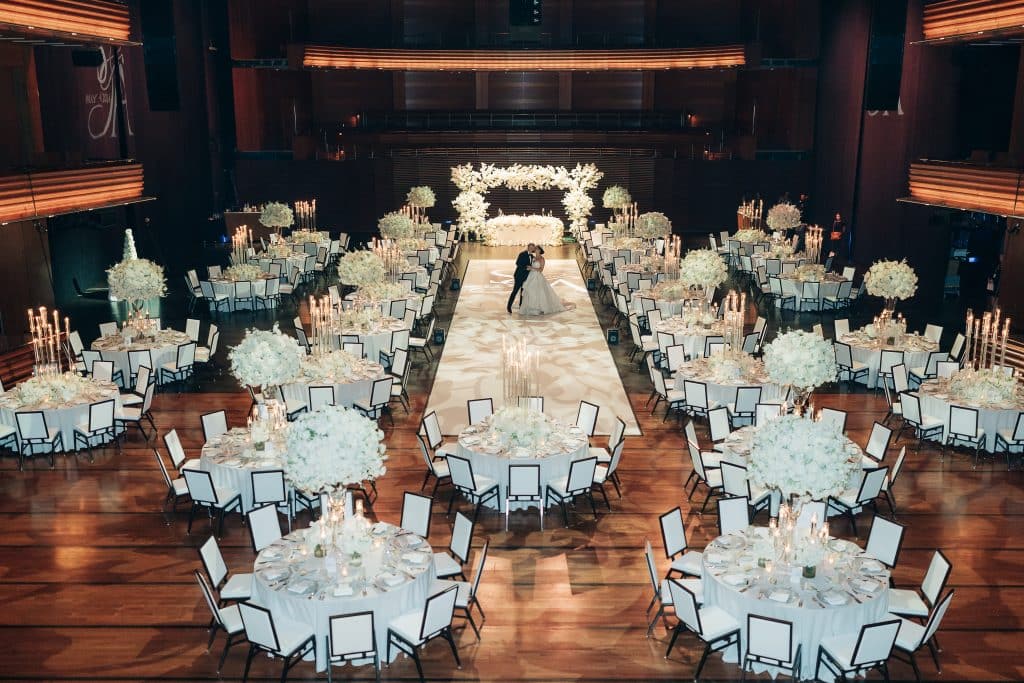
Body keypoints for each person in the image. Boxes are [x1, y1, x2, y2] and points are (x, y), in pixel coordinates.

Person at [519, 246, 574, 315]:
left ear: (540, 251)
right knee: (531, 291)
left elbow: (541, 270)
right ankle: (530, 307)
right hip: (531, 276)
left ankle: (539, 308)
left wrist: (532, 268)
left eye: (537, 249)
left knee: (539, 292)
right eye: (535, 249)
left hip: (537, 277)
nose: (535, 250)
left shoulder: (542, 259)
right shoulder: (533, 258)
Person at [507, 243, 536, 313]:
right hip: (519, 276)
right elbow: (518, 263)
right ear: (528, 247)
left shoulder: (532, 256)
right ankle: (509, 306)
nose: (532, 249)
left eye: (533, 248)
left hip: (526, 277)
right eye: (530, 247)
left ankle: (521, 306)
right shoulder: (522, 254)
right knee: (515, 291)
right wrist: (526, 268)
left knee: (522, 293)